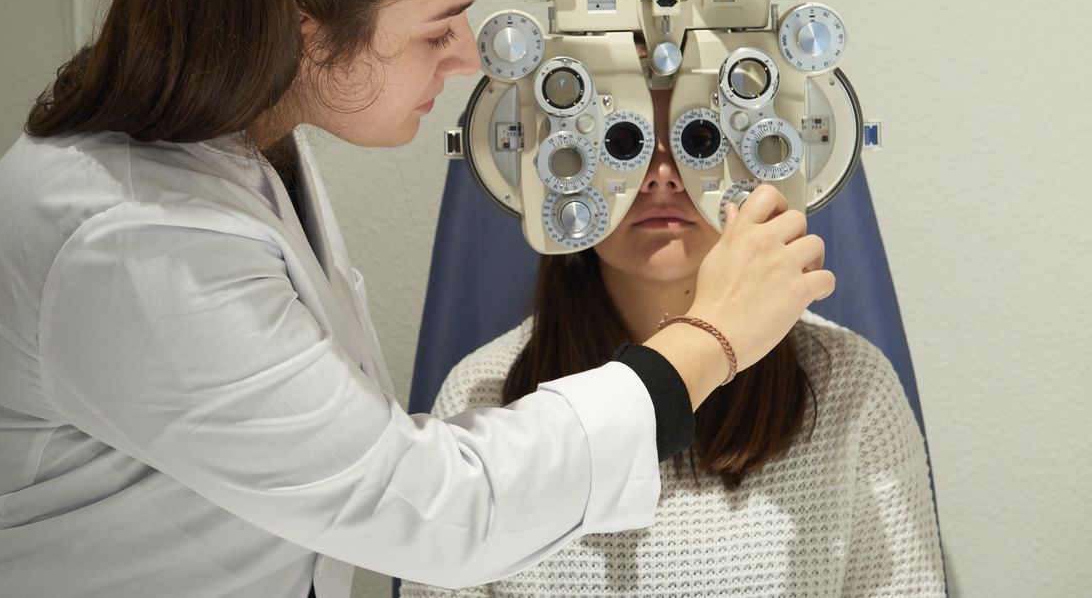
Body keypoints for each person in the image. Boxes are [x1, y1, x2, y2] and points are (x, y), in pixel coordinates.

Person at [0, 0, 834, 597]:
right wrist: (709, 339)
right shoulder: (133, 237)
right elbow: (437, 514)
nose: (465, 60)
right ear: (304, 29)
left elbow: (354, 465)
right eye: (436, 28)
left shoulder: (250, 149)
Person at [400, 88, 946, 598]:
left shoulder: (852, 388)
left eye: (701, 140)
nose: (661, 177)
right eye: (621, 141)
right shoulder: (480, 396)